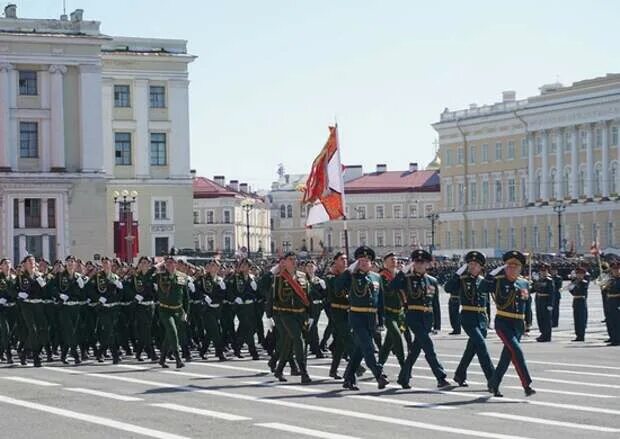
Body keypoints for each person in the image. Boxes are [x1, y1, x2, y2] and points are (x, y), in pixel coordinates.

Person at [482, 251, 535, 397]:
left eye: (515, 266)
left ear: (520, 268)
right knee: (517, 351)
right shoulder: (498, 280)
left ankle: (493, 384)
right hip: (503, 322)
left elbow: (528, 305)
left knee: (506, 357)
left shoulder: (524, 283)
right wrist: (491, 274)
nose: (512, 269)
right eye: (509, 266)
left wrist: (528, 323)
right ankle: (527, 385)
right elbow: (482, 288)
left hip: (518, 324)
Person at [395, 249, 449, 389]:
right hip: (413, 316)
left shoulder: (432, 280)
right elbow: (391, 286)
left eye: (422, 262)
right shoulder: (407, 278)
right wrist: (403, 271)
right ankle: (441, 377)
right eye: (417, 262)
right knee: (428, 347)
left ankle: (403, 378)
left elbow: (435, 303)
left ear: (427, 264)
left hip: (427, 318)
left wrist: (437, 324)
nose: (419, 265)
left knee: (415, 350)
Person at [338, 246, 389, 390]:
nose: (363, 263)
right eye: (360, 260)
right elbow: (338, 287)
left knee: (359, 351)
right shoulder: (351, 276)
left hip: (371, 318)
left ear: (371, 263)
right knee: (368, 347)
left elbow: (381, 301)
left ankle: (348, 378)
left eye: (366, 261)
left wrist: (381, 320)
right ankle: (379, 375)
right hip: (357, 316)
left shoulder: (376, 277)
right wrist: (348, 271)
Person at [444, 251, 494, 387]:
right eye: (470, 264)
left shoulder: (483, 281)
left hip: (482, 319)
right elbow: (447, 288)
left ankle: (459, 374)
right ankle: (492, 379)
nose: (472, 266)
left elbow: (488, 302)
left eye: (475, 264)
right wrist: (456, 275)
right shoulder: (462, 279)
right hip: (468, 317)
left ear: (481, 267)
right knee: (481, 346)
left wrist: (489, 320)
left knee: (471, 349)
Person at [266, 252, 312, 384]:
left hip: (300, 314)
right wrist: (269, 316)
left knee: (288, 342)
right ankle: (304, 372)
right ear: (284, 262)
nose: (293, 261)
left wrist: (311, 315)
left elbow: (308, 297)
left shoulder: (303, 277)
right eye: (290, 259)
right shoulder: (278, 278)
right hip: (285, 314)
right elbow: (271, 298)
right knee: (298, 339)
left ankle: (279, 370)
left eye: (294, 259)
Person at [154, 256, 190, 369]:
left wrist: (186, 312)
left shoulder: (182, 277)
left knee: (169, 336)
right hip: (165, 309)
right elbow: (145, 278)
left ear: (176, 264)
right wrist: (156, 266)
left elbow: (185, 297)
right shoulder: (160, 276)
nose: (170, 264)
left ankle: (162, 359)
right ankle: (178, 359)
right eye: (167, 263)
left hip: (178, 310)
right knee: (172, 331)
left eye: (172, 262)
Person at [52, 255, 87, 364]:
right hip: (65, 307)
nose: (71, 263)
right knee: (70, 330)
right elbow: (52, 288)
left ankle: (63, 355)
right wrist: (59, 296)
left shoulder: (78, 277)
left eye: (72, 261)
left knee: (71, 331)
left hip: (75, 307)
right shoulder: (60, 276)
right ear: (65, 263)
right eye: (68, 261)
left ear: (75, 264)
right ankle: (75, 354)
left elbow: (83, 294)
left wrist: (82, 287)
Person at [16, 255, 49, 367]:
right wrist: (18, 294)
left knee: (43, 330)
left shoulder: (39, 276)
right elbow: (13, 289)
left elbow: (46, 292)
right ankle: (36, 356)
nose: (32, 263)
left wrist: (43, 284)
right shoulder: (21, 277)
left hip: (38, 305)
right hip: (27, 305)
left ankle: (25, 351)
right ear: (25, 264)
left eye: (33, 261)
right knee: (33, 330)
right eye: (29, 261)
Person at [377, 252, 406, 372]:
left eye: (395, 259)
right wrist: (401, 276)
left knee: (388, 343)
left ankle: (379, 366)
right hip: (388, 313)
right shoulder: (382, 276)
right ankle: (404, 367)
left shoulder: (399, 274)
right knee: (397, 337)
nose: (395, 261)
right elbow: (388, 290)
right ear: (385, 263)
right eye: (391, 259)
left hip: (399, 313)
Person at [531, 262, 555, 342]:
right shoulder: (539, 280)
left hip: (546, 301)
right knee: (540, 318)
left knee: (546, 319)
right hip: (539, 300)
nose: (543, 272)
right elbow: (534, 289)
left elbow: (552, 293)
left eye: (544, 271)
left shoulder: (549, 280)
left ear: (547, 271)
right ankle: (542, 334)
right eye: (541, 271)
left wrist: (550, 304)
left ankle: (547, 336)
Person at [0, 258, 16, 364]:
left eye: (9, 263)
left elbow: (16, 292)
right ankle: (9, 354)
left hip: (12, 309)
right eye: (5, 263)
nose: (7, 265)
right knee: (5, 331)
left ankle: (1, 351)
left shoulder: (14, 278)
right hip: (1, 308)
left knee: (9, 333)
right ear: (1, 266)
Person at [567, 265, 589, 342]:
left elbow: (581, 290)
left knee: (581, 319)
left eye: (580, 274)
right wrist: (571, 287)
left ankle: (581, 335)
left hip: (581, 301)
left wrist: (575, 283)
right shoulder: (574, 282)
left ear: (583, 274)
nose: (579, 275)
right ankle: (577, 335)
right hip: (575, 301)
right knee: (576, 319)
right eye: (577, 274)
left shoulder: (584, 282)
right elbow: (572, 291)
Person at [602, 260, 620, 346]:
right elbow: (605, 290)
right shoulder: (611, 280)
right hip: (610, 302)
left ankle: (617, 339)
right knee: (611, 321)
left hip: (617, 302)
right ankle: (613, 338)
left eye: (617, 270)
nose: (616, 271)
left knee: (617, 322)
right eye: (614, 270)